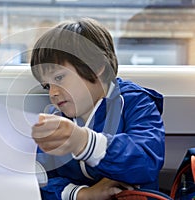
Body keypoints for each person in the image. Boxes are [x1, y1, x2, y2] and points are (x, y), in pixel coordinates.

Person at [30, 17, 165, 200]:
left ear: (96, 66)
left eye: (59, 78)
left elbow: (146, 160)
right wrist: (84, 194)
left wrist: (83, 142)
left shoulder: (135, 103)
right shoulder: (58, 120)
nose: (53, 93)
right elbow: (42, 178)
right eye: (47, 86)